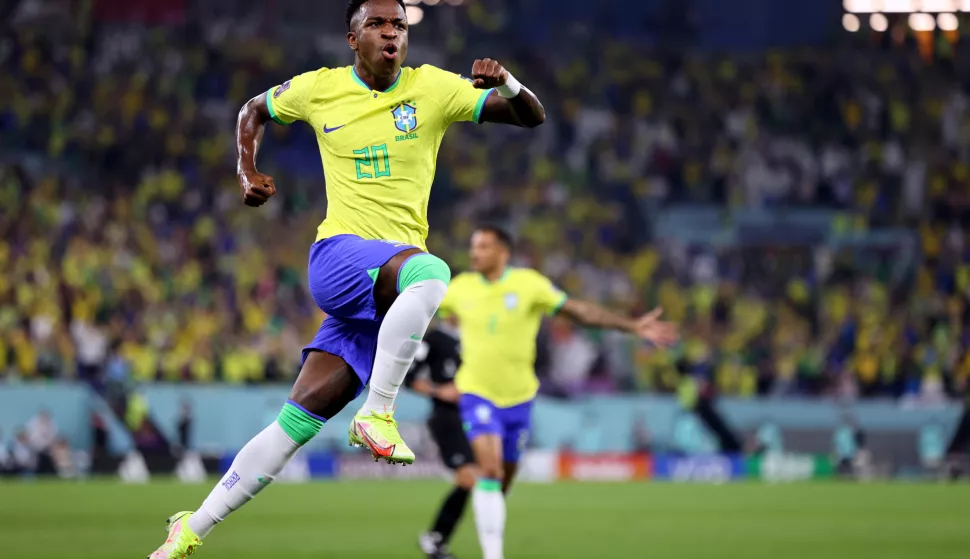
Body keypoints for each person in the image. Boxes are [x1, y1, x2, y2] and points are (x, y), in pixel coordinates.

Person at [148, 0, 545, 556]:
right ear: (352, 37)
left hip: (385, 292)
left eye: (399, 27)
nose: (391, 34)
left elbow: (531, 116)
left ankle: (190, 529)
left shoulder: (432, 89)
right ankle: (378, 411)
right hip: (339, 257)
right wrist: (247, 169)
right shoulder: (318, 88)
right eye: (378, 25)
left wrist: (506, 81)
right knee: (433, 272)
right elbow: (251, 111)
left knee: (295, 426)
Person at [439, 225, 678, 559]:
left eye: (483, 246)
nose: (474, 252)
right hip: (476, 392)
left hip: (519, 398)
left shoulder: (529, 284)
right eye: (473, 246)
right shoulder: (458, 287)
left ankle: (480, 523)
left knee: (501, 482)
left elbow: (579, 311)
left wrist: (631, 325)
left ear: (503, 252)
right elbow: (417, 309)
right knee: (489, 470)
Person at [403, 318, 470, 559]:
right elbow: (410, 377)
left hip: (476, 415)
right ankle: (435, 537)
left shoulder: (474, 333)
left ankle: (438, 539)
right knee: (469, 477)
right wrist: (438, 391)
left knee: (485, 476)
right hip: (448, 417)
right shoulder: (434, 339)